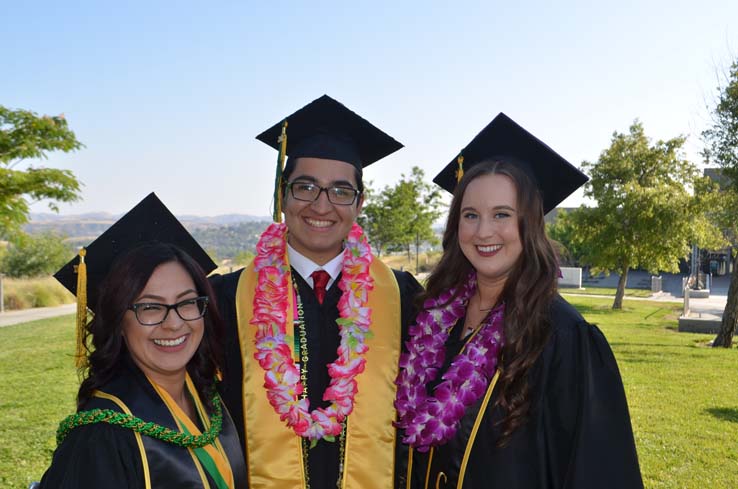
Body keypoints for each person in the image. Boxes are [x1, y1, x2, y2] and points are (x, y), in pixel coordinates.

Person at [395, 113, 643, 488]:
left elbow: (597, 471)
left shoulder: (562, 338)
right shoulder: (434, 318)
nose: (483, 231)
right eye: (470, 215)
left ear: (530, 224)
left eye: (502, 215)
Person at [210, 95, 422, 489]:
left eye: (341, 191)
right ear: (283, 194)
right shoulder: (227, 299)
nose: (322, 206)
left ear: (359, 203)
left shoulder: (404, 297)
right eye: (306, 187)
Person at [40, 193, 247, 489]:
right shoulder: (102, 435)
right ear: (118, 321)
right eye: (150, 307)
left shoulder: (207, 395)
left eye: (187, 303)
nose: (174, 323)